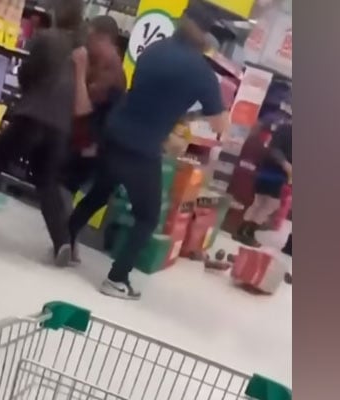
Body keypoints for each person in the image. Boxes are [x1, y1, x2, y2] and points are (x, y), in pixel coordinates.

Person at [68, 0, 229, 300]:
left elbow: (151, 96)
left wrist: (177, 114)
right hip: (141, 149)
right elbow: (220, 124)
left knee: (100, 192)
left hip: (114, 132)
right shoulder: (201, 72)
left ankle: (64, 240)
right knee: (147, 216)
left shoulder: (155, 49)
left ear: (182, 19)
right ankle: (117, 279)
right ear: (206, 36)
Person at [0, 0, 85, 266]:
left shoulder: (46, 39)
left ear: (58, 12)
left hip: (33, 115)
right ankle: (62, 242)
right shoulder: (81, 49)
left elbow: (26, 73)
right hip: (60, 125)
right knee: (46, 182)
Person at [64, 15, 127, 194]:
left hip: (87, 146)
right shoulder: (103, 64)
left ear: (103, 38)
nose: (87, 43)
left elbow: (83, 110)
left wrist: (80, 70)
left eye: (90, 38)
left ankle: (61, 222)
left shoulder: (111, 72)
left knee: (60, 189)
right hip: (84, 142)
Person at [234, 123, 292, 247]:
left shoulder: (285, 128)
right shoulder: (286, 129)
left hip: (274, 171)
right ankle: (248, 232)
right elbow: (274, 149)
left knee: (260, 202)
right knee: (268, 203)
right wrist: (285, 164)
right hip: (273, 171)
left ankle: (242, 231)